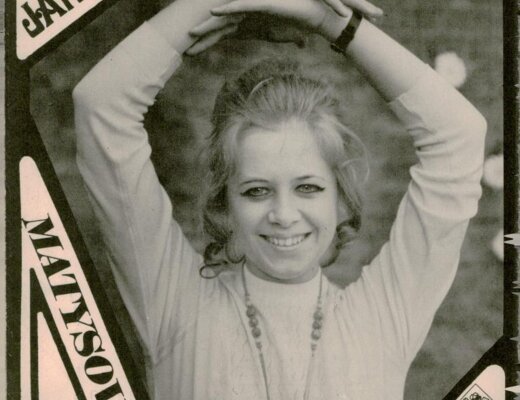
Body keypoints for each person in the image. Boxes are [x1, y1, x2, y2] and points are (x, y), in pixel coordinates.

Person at [73, 0, 487, 398]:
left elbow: (460, 135)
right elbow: (101, 103)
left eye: (308, 187)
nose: (284, 215)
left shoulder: (383, 316)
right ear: (225, 205)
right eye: (256, 191)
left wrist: (332, 23)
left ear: (341, 201)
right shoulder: (174, 305)